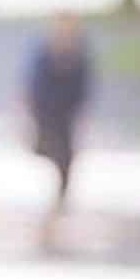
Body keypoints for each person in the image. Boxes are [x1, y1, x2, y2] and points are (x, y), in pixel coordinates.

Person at [25, 12, 93, 232]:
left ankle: (61, 199)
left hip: (66, 115)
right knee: (47, 150)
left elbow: (85, 89)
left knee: (66, 157)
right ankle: (53, 199)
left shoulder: (79, 56)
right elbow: (32, 86)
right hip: (45, 113)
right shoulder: (44, 56)